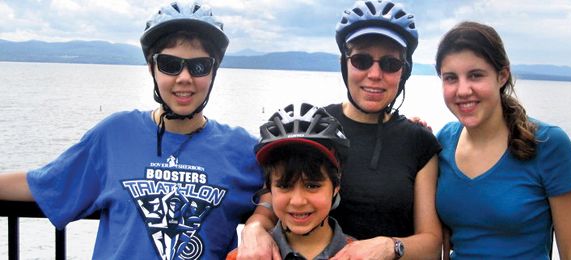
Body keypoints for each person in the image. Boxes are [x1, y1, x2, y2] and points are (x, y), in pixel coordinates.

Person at [0, 1, 265, 259]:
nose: (184, 77)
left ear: (213, 71)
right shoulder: (114, 135)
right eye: (170, 65)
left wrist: (258, 223)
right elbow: (45, 183)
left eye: (199, 66)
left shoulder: (241, 149)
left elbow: (289, 190)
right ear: (151, 67)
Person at [237, 1, 443, 259]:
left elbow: (433, 244)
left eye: (390, 64)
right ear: (344, 63)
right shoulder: (318, 127)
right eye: (361, 60)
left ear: (405, 70)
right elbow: (278, 190)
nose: (375, 74)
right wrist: (254, 227)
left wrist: (388, 247)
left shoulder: (419, 141)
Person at [434, 21, 571, 259]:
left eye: (475, 75)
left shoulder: (549, 144)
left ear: (502, 75)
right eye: (451, 78)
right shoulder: (443, 141)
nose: (463, 90)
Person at [227, 103, 354, 260]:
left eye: (312, 186)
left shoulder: (364, 256)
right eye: (284, 186)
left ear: (336, 185)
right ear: (269, 188)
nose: (298, 201)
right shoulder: (242, 257)